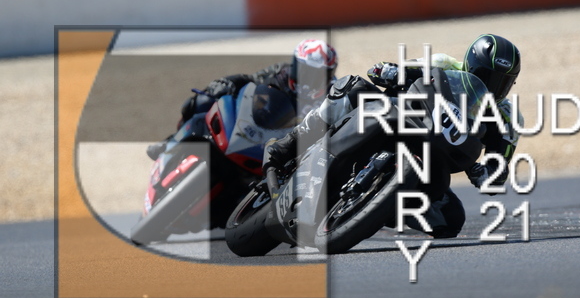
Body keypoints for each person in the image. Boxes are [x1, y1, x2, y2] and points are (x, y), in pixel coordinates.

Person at [263, 34, 522, 239]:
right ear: (470, 65)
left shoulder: (508, 116)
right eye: (485, 76)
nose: (492, 86)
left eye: (502, 82)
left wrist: (485, 173)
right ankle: (290, 143)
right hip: (398, 118)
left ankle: (379, 210)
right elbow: (399, 72)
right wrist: (389, 72)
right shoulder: (443, 64)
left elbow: (500, 164)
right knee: (353, 88)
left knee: (451, 218)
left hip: (435, 156)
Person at [146, 39, 338, 160]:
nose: (305, 78)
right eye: (302, 69)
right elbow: (251, 79)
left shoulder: (333, 96)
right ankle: (170, 143)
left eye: (314, 75)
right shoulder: (281, 72)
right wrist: (226, 82)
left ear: (328, 76)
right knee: (202, 102)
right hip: (255, 128)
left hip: (284, 149)